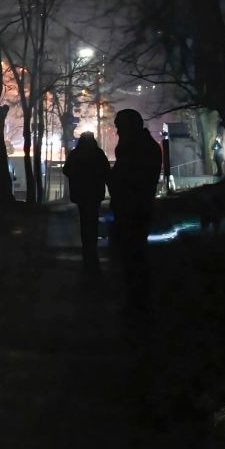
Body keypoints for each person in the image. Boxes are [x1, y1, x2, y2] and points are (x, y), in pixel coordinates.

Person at [109, 108, 164, 311]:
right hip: (135, 208)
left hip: (133, 209)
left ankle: (137, 303)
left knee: (133, 255)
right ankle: (137, 299)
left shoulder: (136, 149)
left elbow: (130, 180)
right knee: (134, 254)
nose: (117, 132)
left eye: (120, 128)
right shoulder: (143, 147)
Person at [62, 132, 110, 274]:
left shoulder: (75, 154)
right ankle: (92, 246)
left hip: (80, 193)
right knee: (93, 219)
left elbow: (66, 170)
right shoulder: (98, 153)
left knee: (84, 219)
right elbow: (106, 170)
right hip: (95, 193)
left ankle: (86, 246)